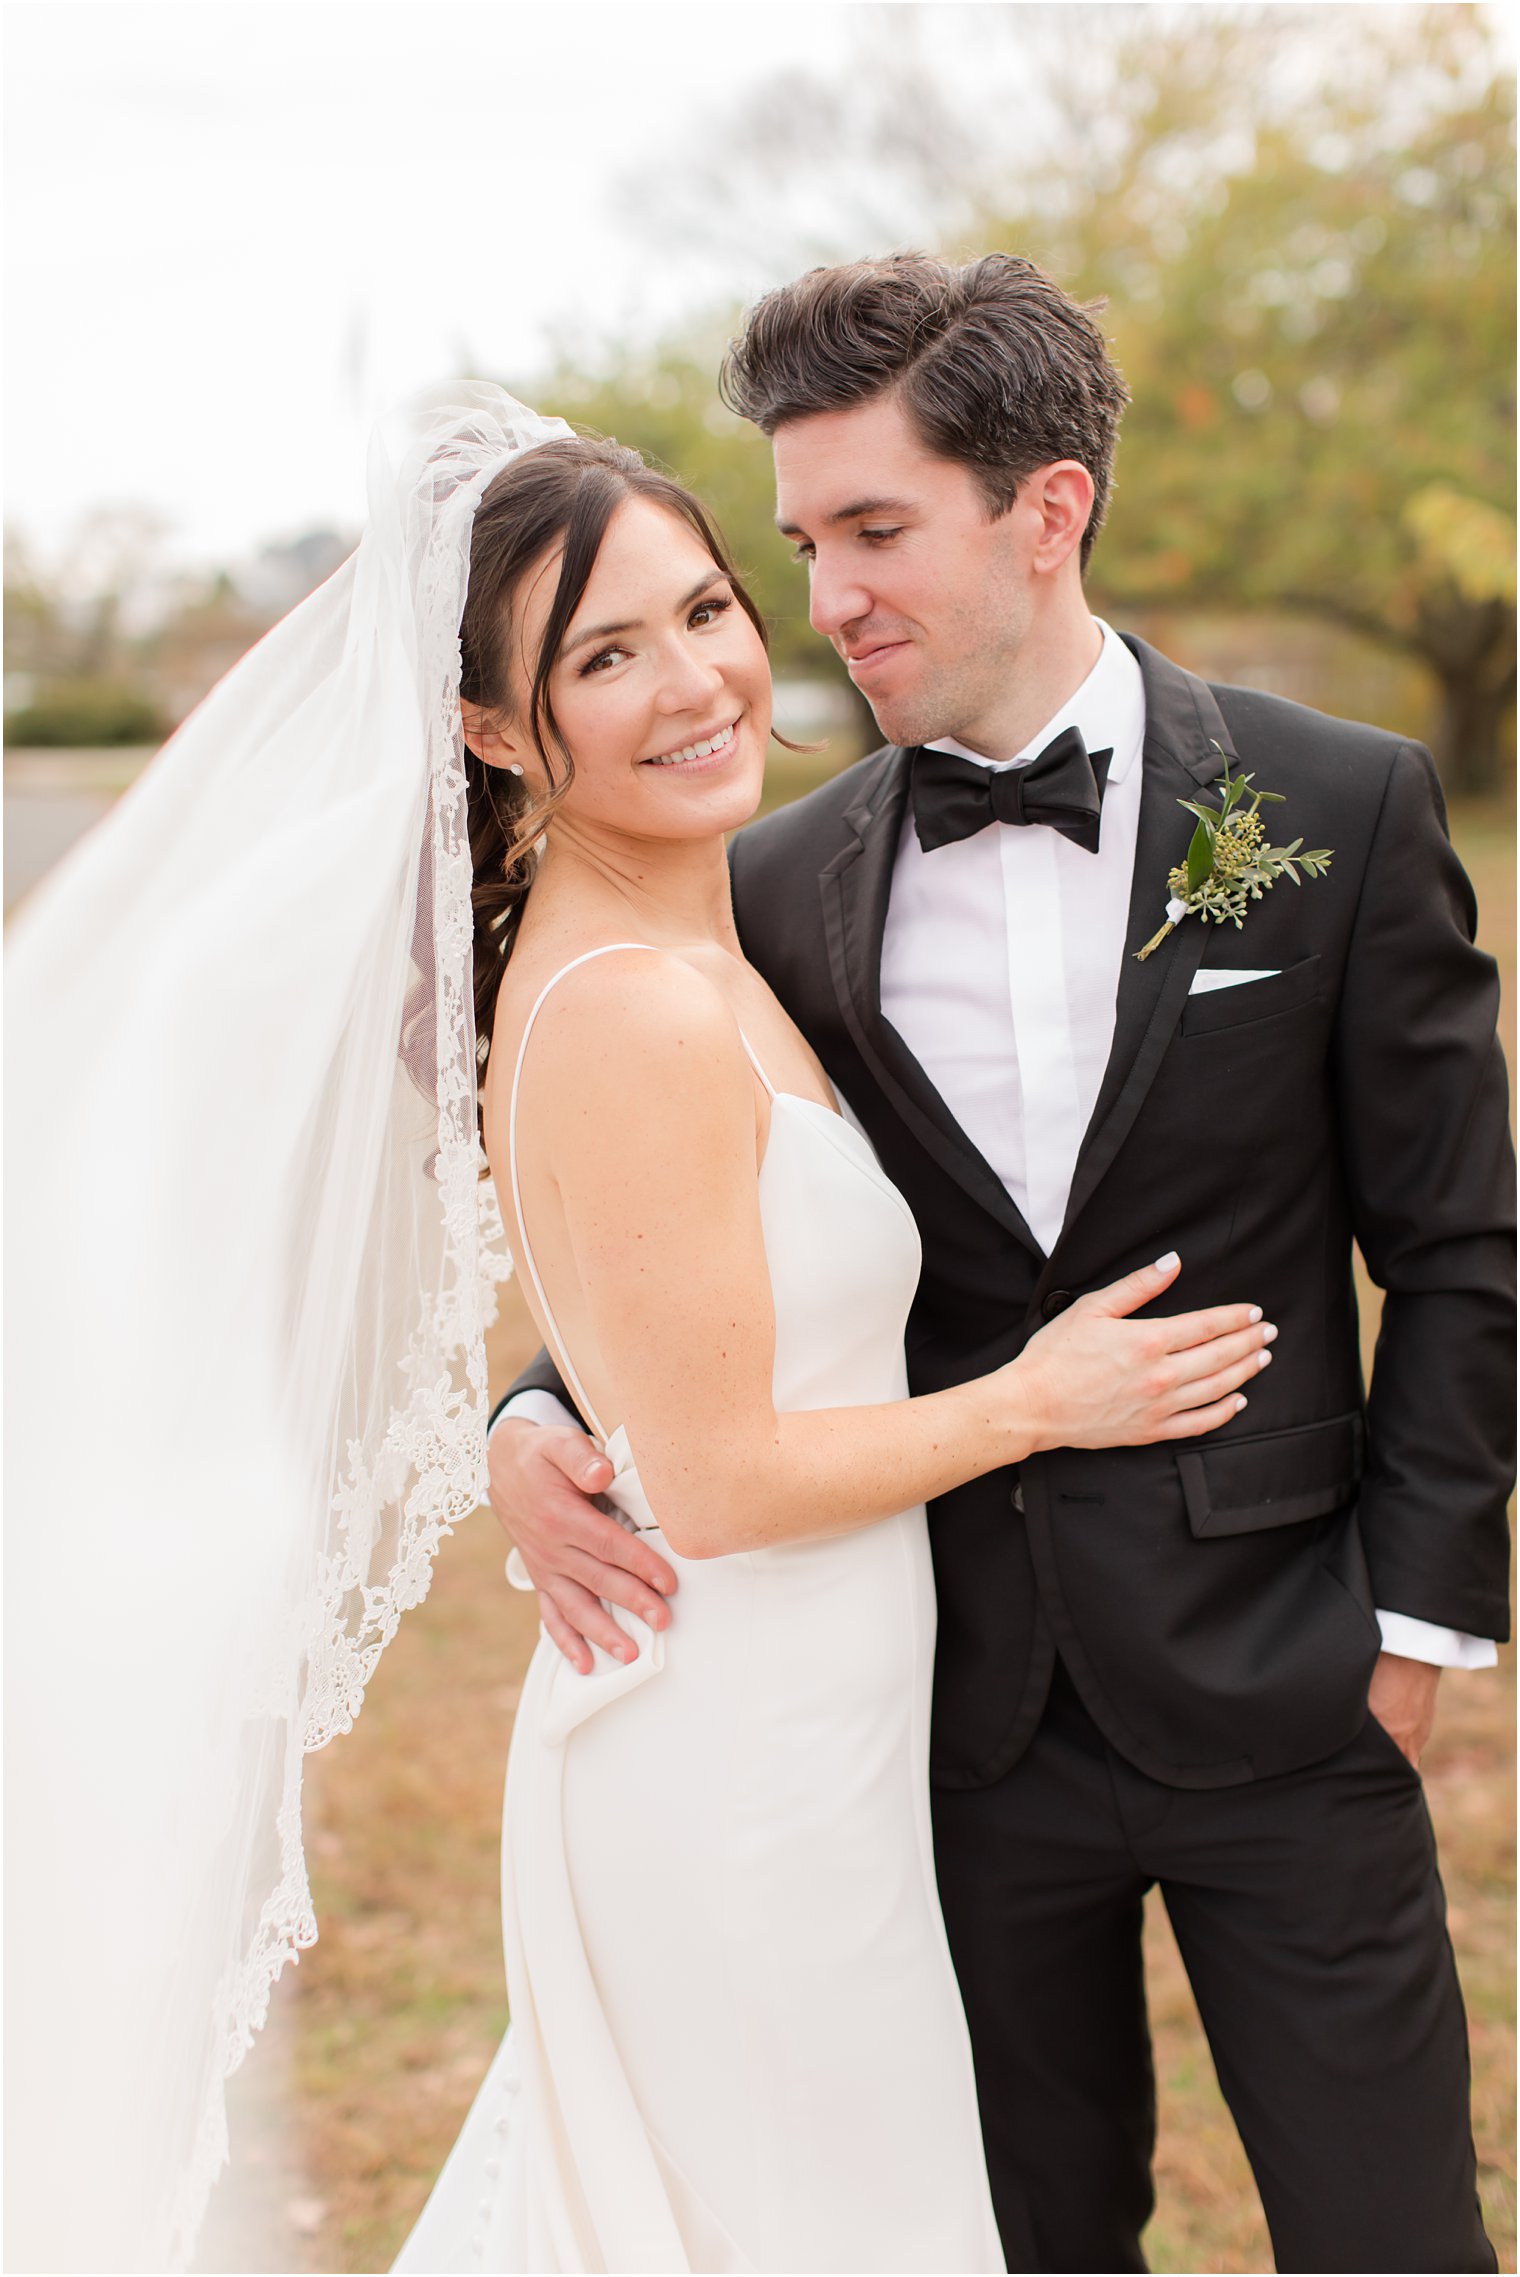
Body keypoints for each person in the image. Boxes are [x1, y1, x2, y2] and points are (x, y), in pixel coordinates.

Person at [488, 254, 1515, 2274]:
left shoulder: (1332, 806)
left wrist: (1418, 1626)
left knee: (1394, 2232)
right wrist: (538, 1406)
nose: (826, 596)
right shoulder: (771, 882)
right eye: (801, 543)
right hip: (948, 1723)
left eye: (875, 529)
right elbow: (689, 1222)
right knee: (1025, 2237)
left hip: (1288, 1676)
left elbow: (1463, 1245)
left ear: (1044, 509)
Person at [392, 429, 1273, 2274]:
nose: (699, 677)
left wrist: (536, 1407)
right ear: (492, 731)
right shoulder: (630, 1004)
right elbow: (712, 1480)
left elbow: (670, 1322)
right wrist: (1042, 1401)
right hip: (736, 1773)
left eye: (704, 607)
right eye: (601, 656)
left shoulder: (708, 949)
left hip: (827, 1755)